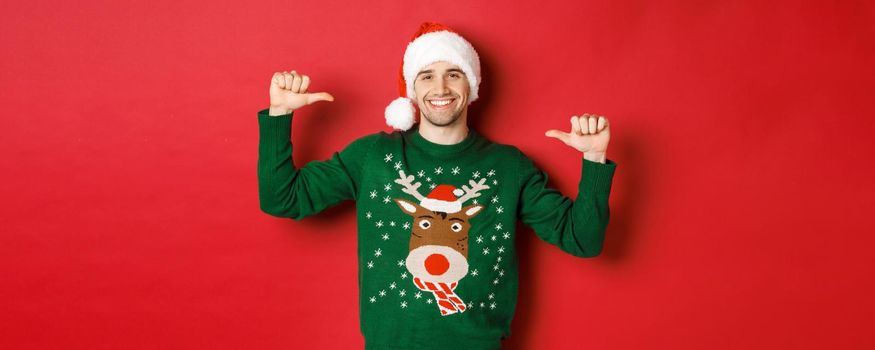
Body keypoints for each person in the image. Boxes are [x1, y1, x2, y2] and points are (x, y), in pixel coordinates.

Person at [258, 22, 617, 350]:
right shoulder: (373, 157)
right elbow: (282, 199)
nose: (440, 88)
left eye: (453, 74)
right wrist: (279, 115)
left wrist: (594, 161)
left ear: (471, 85)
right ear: (412, 87)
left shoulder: (509, 167)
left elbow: (582, 240)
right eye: (427, 76)